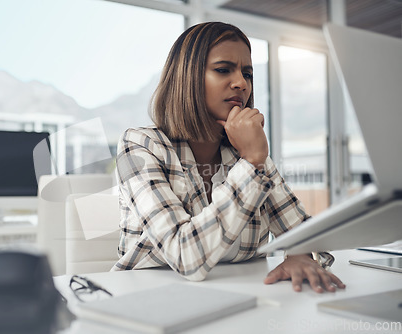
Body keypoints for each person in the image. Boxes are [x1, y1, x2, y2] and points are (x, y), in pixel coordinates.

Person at [111, 22, 345, 293]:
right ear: (187, 77)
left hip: (244, 293)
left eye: (247, 73)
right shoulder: (141, 145)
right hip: (149, 297)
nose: (241, 84)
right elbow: (185, 257)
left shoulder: (247, 153)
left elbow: (311, 239)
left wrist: (300, 255)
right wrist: (252, 164)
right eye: (223, 70)